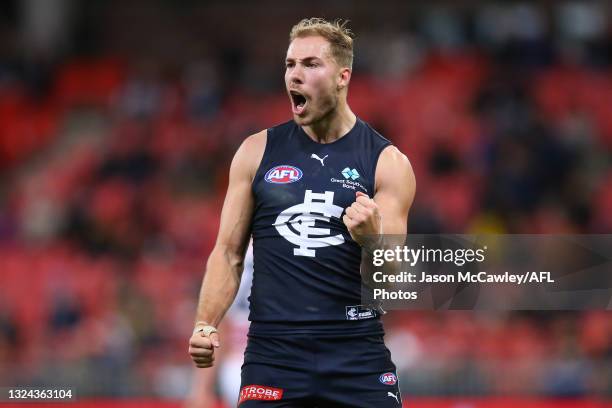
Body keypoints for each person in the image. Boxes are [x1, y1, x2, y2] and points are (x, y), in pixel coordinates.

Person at [188, 17, 415, 407]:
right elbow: (228, 253)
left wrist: (373, 241)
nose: (295, 75)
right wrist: (206, 322)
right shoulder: (256, 152)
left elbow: (391, 280)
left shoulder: (387, 162)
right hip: (273, 355)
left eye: (310, 64)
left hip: (355, 352)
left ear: (343, 76)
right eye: (290, 64)